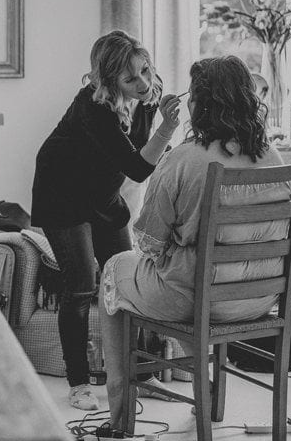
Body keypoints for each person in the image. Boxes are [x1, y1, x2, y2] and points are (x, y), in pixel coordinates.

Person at [99, 55, 291, 429]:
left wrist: (171, 244)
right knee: (191, 277)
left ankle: (119, 420)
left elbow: (148, 241)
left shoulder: (183, 159)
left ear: (199, 103)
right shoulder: (273, 155)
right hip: (258, 299)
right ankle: (205, 388)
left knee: (114, 269)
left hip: (198, 298)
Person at [31, 30, 182, 410]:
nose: (145, 83)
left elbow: (147, 151)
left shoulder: (148, 96)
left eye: (146, 70)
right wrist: (167, 129)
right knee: (81, 284)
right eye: (131, 79)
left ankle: (140, 374)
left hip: (102, 194)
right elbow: (137, 166)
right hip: (61, 195)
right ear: (108, 80)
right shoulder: (93, 105)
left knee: (128, 278)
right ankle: (79, 382)